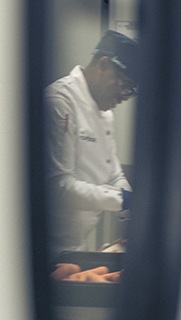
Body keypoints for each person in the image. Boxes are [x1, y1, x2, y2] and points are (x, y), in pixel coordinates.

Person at [45, 30, 139, 256]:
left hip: (78, 247)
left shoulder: (105, 112)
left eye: (131, 90)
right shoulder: (60, 101)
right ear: (104, 65)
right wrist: (121, 200)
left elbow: (113, 173)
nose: (126, 96)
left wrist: (134, 207)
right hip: (47, 250)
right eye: (124, 85)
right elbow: (60, 186)